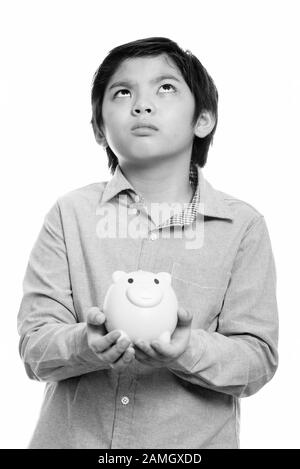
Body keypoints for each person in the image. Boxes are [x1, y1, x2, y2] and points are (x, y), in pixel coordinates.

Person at [17, 37, 279, 449]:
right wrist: (84, 345)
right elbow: (34, 347)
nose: (142, 105)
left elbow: (258, 360)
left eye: (166, 88)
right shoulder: (70, 214)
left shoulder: (242, 226)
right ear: (99, 129)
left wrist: (185, 348)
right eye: (123, 92)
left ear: (203, 119)